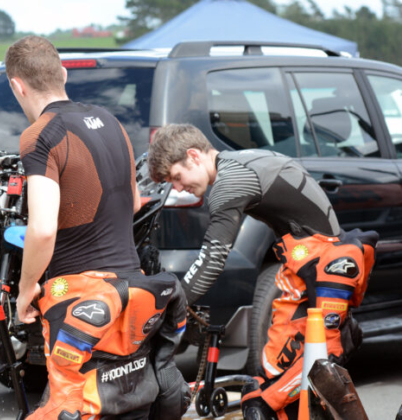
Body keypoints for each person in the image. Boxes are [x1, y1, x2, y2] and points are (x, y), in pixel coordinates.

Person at [6, 35, 188, 420]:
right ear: (64, 74)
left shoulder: (39, 136)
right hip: (131, 289)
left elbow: (41, 229)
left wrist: (25, 292)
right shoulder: (110, 120)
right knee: (128, 404)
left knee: (72, 407)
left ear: (16, 85)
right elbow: (135, 202)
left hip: (78, 298)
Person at [147, 124, 378, 420]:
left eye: (176, 177)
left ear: (193, 156)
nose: (177, 188)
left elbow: (212, 259)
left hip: (325, 263)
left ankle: (337, 341)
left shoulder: (229, 182)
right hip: (307, 261)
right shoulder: (242, 159)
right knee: (273, 371)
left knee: (292, 381)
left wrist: (173, 304)